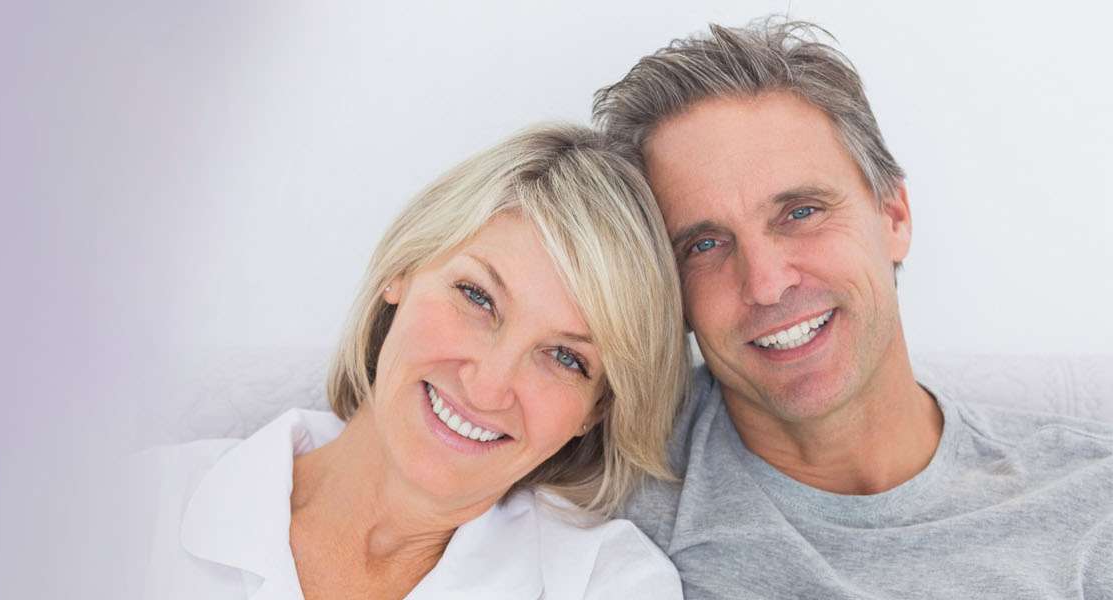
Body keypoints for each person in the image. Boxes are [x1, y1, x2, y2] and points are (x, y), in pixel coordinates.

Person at [592, 18, 1113, 598]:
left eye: (801, 213)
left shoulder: (1093, 503)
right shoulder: (600, 491)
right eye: (705, 245)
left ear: (894, 218)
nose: (766, 284)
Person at [129, 124, 691, 599]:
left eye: (565, 358)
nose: (488, 386)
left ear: (597, 409)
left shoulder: (607, 584)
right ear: (402, 271)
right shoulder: (133, 507)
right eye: (477, 298)